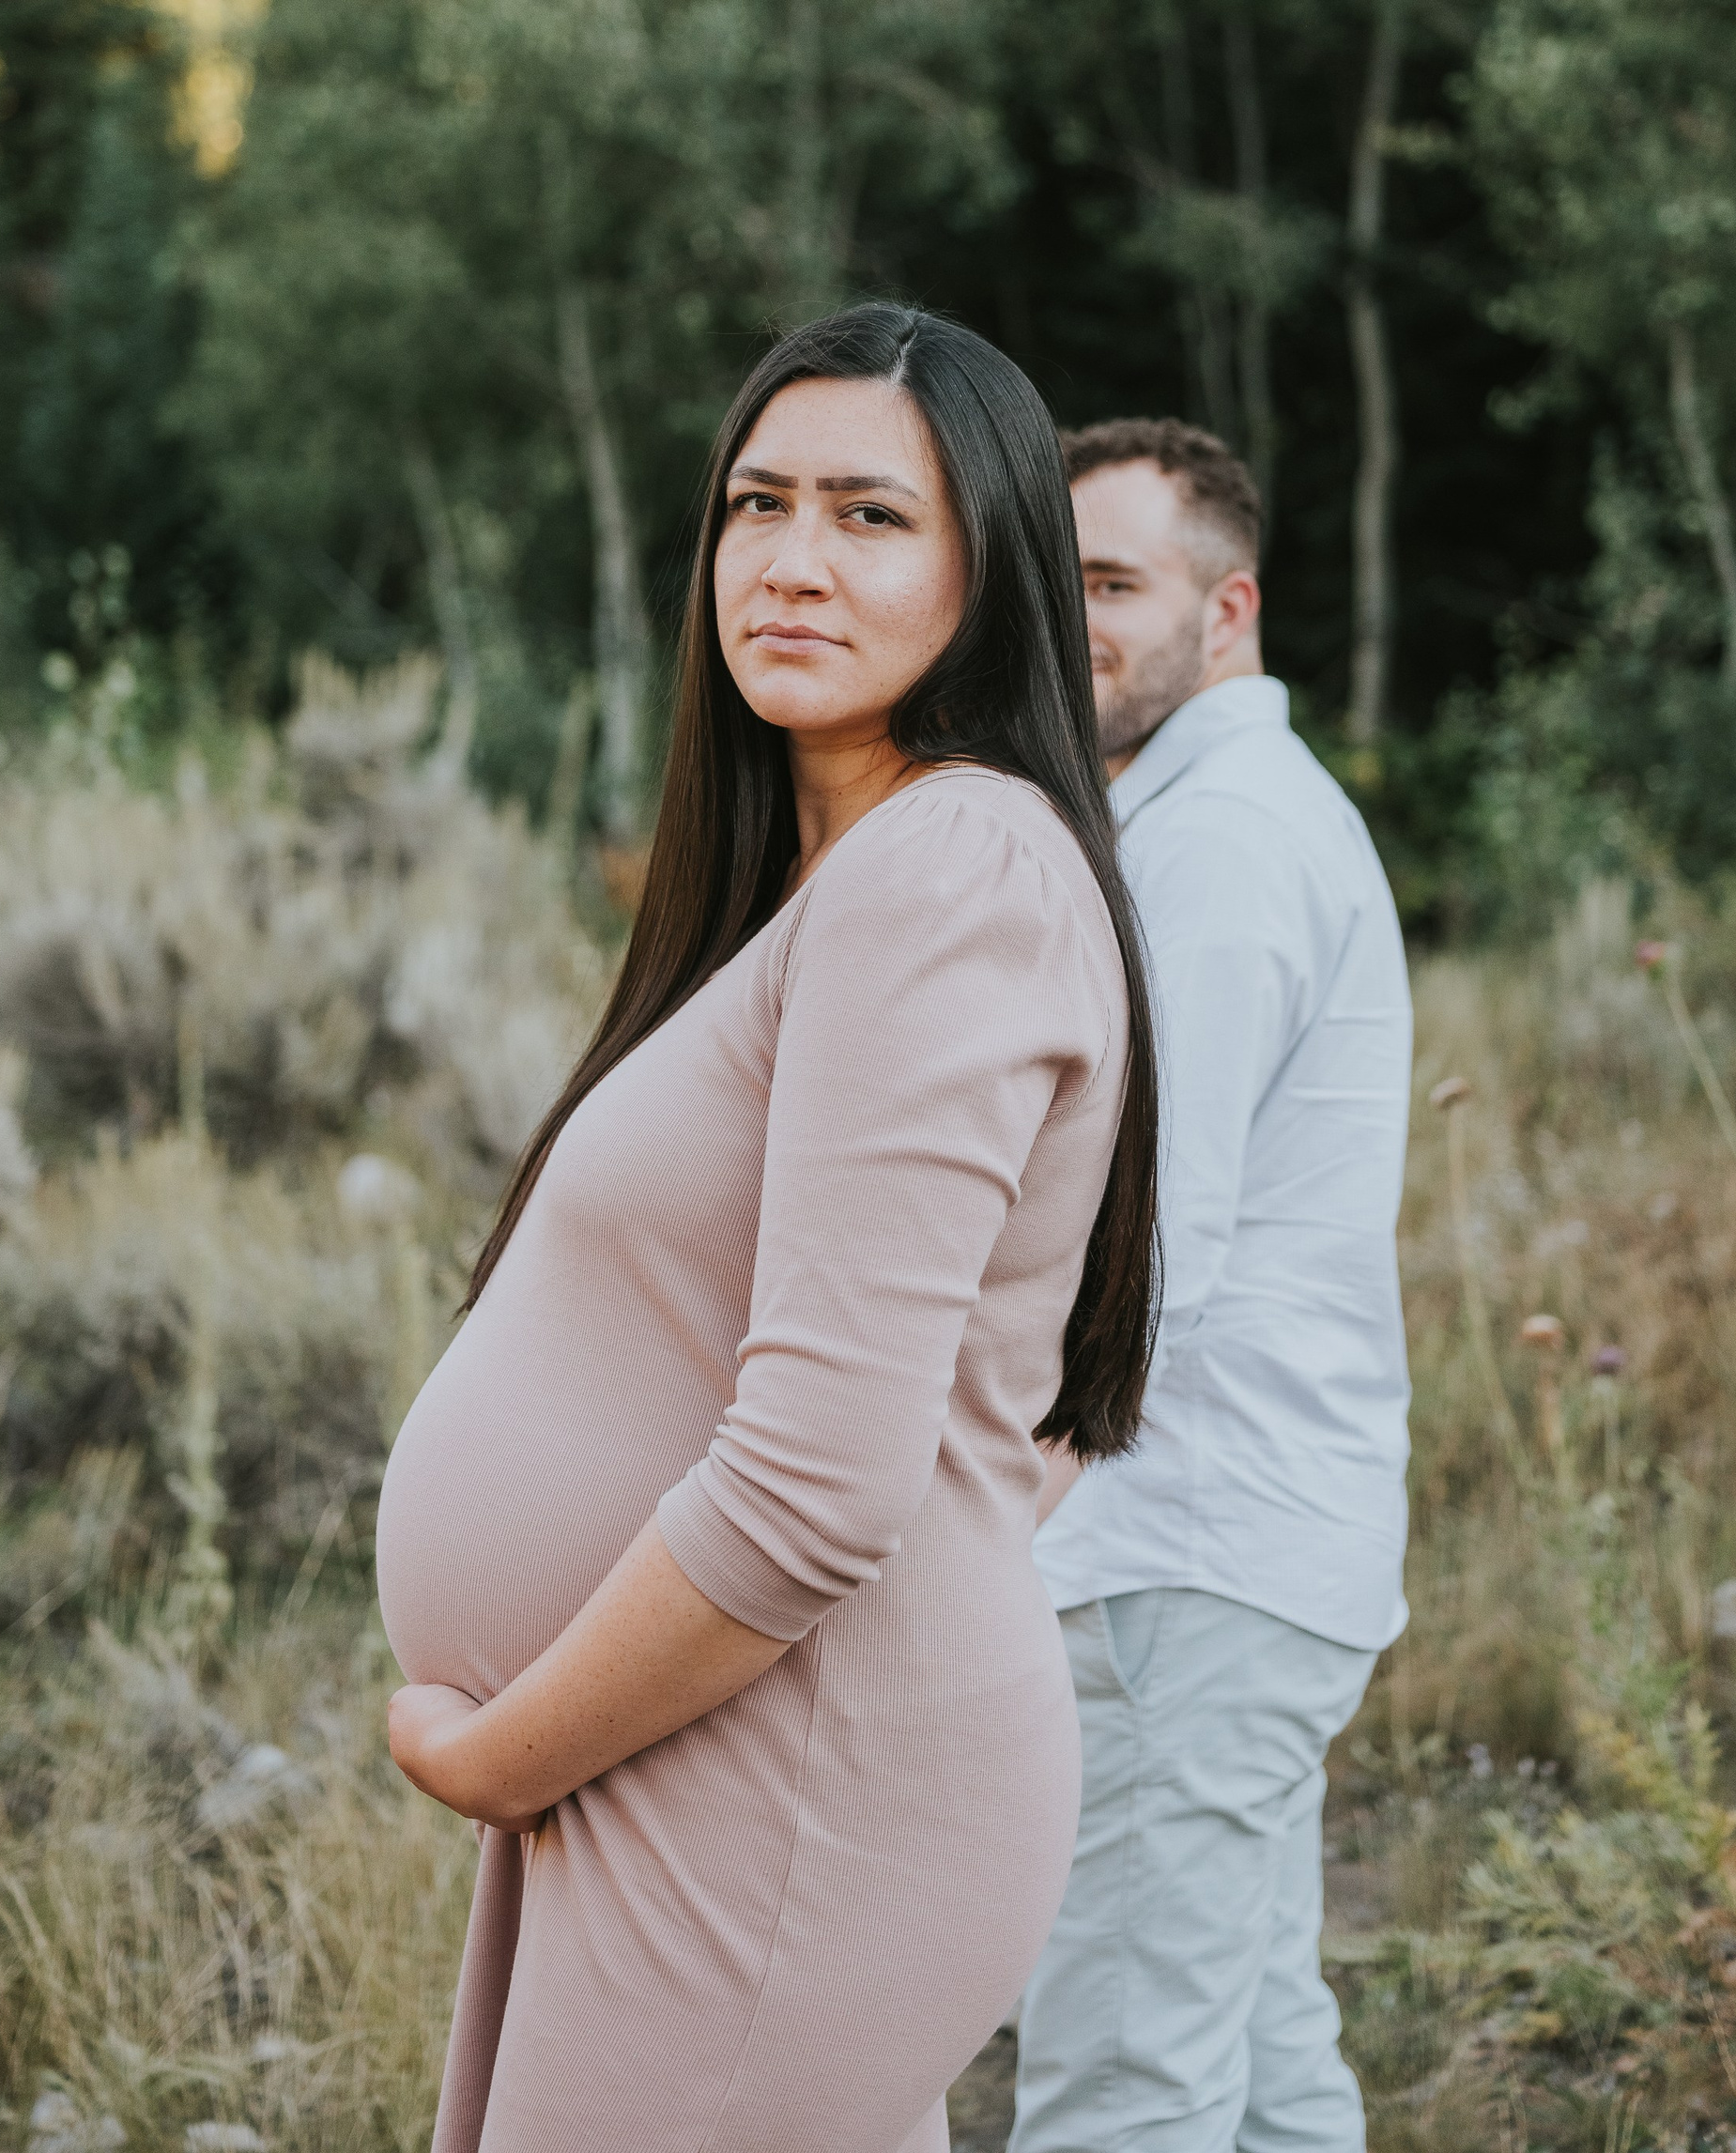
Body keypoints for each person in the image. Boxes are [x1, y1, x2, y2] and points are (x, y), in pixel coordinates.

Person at [375, 304, 1160, 2153]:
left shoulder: (946, 870)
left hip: (783, 1782)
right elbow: (995, 1396)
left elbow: (819, 1482)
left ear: (994, 566)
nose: (792, 561)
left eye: (871, 516)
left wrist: (501, 1752)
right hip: (725, 1753)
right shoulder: (835, 876)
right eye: (757, 504)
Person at [1012, 418, 1412, 2153]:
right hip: (1239, 1556)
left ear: (1227, 607)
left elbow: (1153, 1243)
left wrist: (987, 1500)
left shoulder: (1223, 839)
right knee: (1252, 2066)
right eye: (1054, 581)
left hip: (1182, 1549)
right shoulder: (1204, 817)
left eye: (1114, 582)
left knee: (1123, 2095)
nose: (1072, 618)